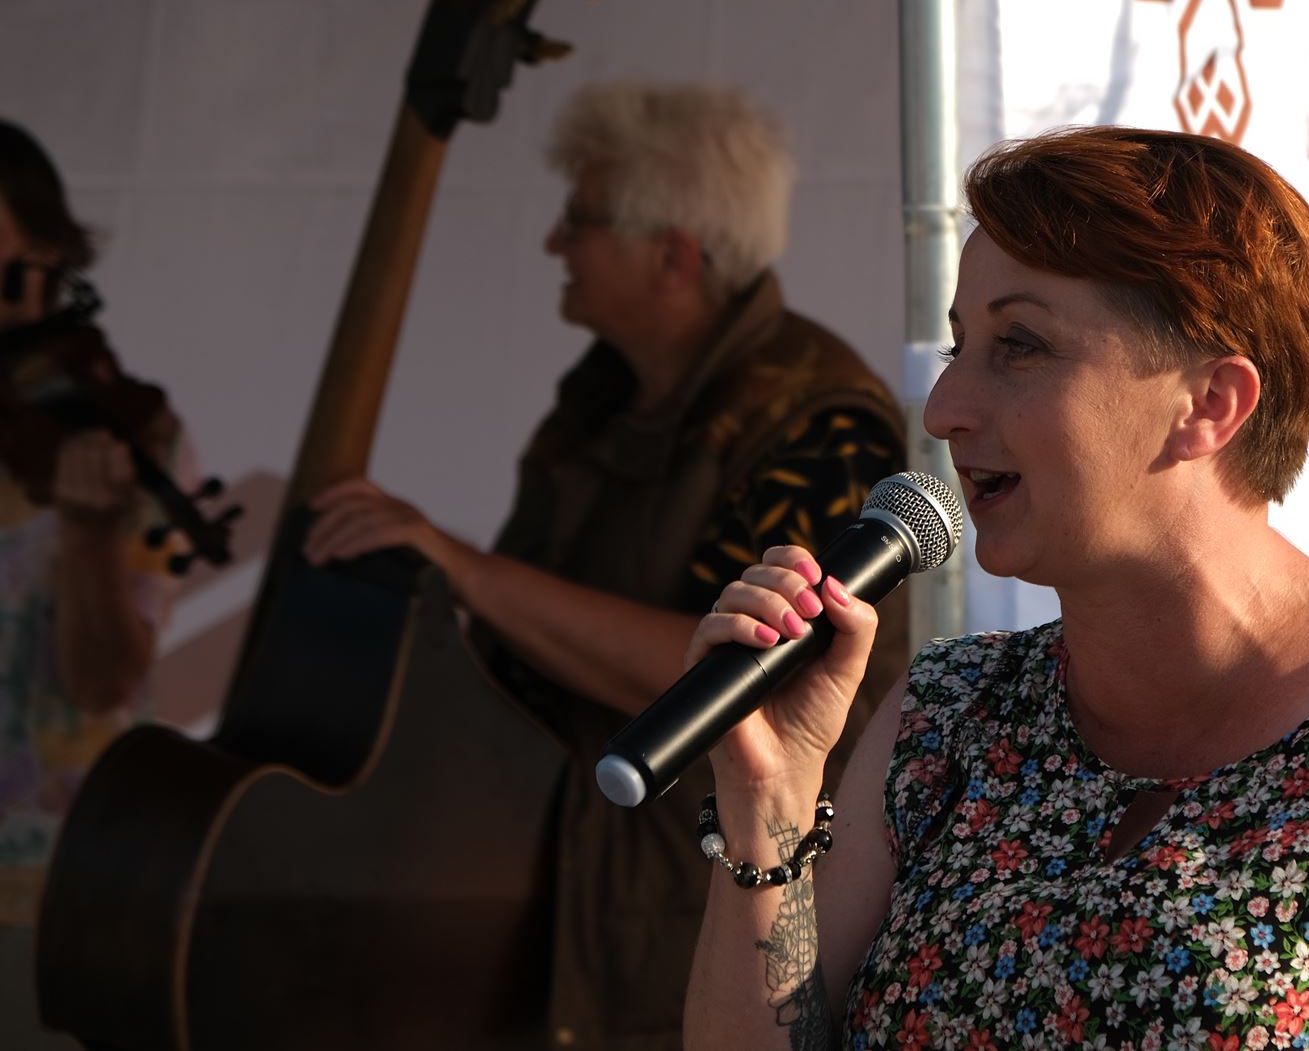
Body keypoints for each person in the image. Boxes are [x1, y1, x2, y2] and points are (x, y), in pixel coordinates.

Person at [683, 126, 1309, 1049]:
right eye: (957, 345)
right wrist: (770, 792)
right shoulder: (946, 717)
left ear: (1211, 404)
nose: (943, 408)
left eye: (1019, 345)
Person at [304, 84, 908, 1050]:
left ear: (673, 254)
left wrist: (461, 566)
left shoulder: (819, 421)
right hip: (545, 903)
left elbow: (731, 680)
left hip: (684, 926)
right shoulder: (600, 395)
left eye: (580, 219)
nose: (555, 242)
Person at [0, 122, 192, 1050]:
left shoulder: (129, 432)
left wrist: (86, 535)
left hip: (43, 898)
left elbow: (103, 682)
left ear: (44, 252)